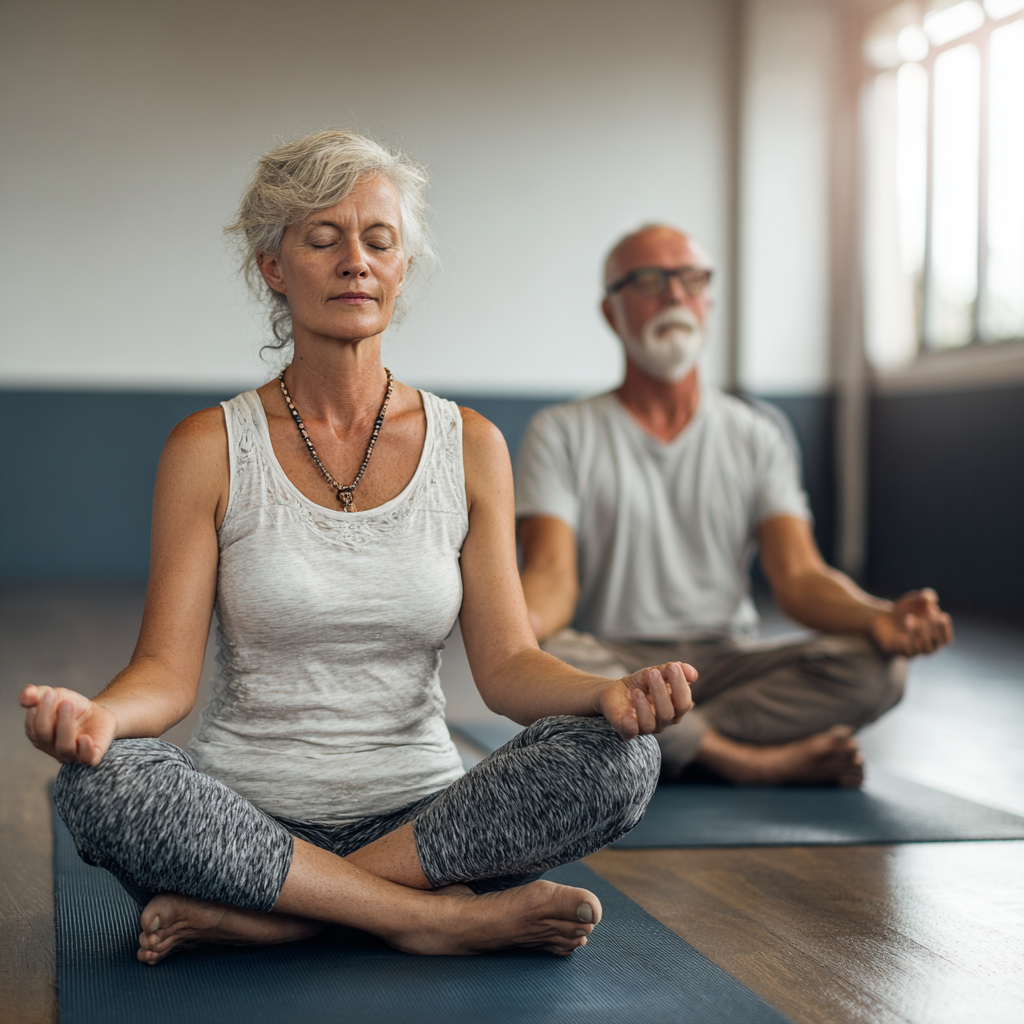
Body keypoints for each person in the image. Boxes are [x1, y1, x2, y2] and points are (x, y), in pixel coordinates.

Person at [20, 134, 698, 964]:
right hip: (246, 822)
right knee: (100, 783)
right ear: (274, 267)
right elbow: (164, 674)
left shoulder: (471, 445)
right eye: (323, 239)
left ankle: (284, 915)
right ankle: (425, 919)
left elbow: (510, 664)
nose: (356, 262)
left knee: (625, 759)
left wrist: (611, 695)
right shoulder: (207, 447)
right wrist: (97, 719)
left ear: (401, 269)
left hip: (425, 825)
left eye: (379, 241)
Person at [515, 224, 953, 788]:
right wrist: (514, 634)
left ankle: (657, 744)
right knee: (555, 658)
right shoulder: (561, 432)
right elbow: (551, 573)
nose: (674, 295)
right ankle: (745, 760)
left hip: (722, 665)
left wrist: (881, 618)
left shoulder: (757, 433)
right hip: (614, 663)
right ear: (610, 311)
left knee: (879, 669)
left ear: (708, 301)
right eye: (650, 280)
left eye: (691, 279)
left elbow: (799, 575)